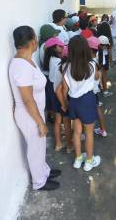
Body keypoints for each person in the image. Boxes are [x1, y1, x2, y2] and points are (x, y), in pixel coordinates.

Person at [9, 26, 60, 191]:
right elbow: (28, 99)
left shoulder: (27, 59)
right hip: (29, 114)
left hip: (34, 112)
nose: (38, 40)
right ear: (32, 41)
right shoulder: (20, 66)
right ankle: (39, 181)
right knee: (35, 147)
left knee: (39, 145)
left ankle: (43, 171)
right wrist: (40, 122)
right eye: (36, 38)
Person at [62, 36, 101, 171]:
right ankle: (89, 161)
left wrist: (66, 103)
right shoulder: (92, 65)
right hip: (88, 100)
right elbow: (97, 77)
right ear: (86, 49)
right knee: (89, 133)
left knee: (77, 132)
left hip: (74, 101)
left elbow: (64, 89)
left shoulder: (66, 66)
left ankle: (78, 159)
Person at [43, 37, 72, 153]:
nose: (62, 47)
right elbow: (60, 88)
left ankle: (58, 144)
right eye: (60, 46)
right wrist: (64, 103)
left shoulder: (50, 59)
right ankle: (69, 145)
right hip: (59, 95)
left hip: (53, 92)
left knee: (57, 120)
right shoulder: (60, 64)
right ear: (54, 48)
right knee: (66, 121)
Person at [87, 36, 108, 137]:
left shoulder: (88, 61)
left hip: (88, 89)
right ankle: (103, 130)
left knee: (86, 112)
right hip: (96, 88)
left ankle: (84, 133)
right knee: (98, 108)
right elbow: (101, 72)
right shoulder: (100, 56)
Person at [39, 24, 60, 114]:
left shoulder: (44, 45)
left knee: (50, 98)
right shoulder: (48, 47)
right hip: (50, 76)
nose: (56, 36)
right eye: (54, 34)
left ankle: (53, 115)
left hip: (47, 74)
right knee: (54, 98)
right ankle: (55, 117)